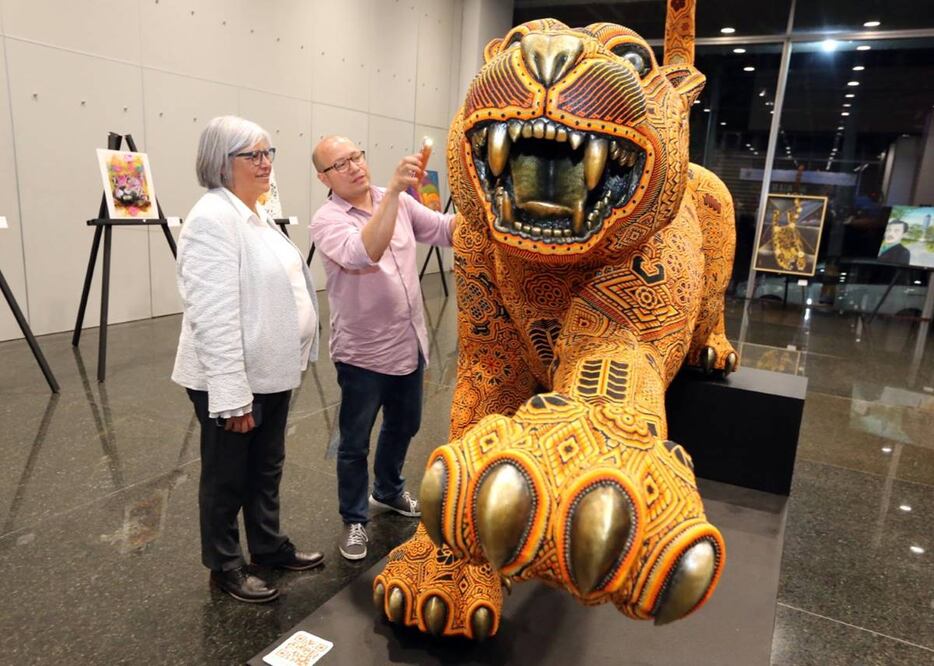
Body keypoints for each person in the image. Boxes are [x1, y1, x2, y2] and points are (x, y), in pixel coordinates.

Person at [172, 116, 324, 603]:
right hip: (233, 381)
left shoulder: (252, 213)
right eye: (252, 155)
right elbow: (212, 316)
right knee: (226, 478)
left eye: (268, 152)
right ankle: (225, 566)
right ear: (222, 162)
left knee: (265, 467)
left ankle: (268, 546)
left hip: (271, 372)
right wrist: (232, 397)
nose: (265, 163)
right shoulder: (211, 220)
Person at [310, 136, 454, 560]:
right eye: (340, 164)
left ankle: (388, 489)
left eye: (356, 156)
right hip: (363, 354)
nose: (354, 166)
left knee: (405, 424)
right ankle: (355, 518)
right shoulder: (328, 220)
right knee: (354, 441)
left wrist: (492, 217)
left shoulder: (403, 205)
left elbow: (444, 230)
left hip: (409, 342)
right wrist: (392, 192)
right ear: (323, 178)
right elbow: (362, 252)